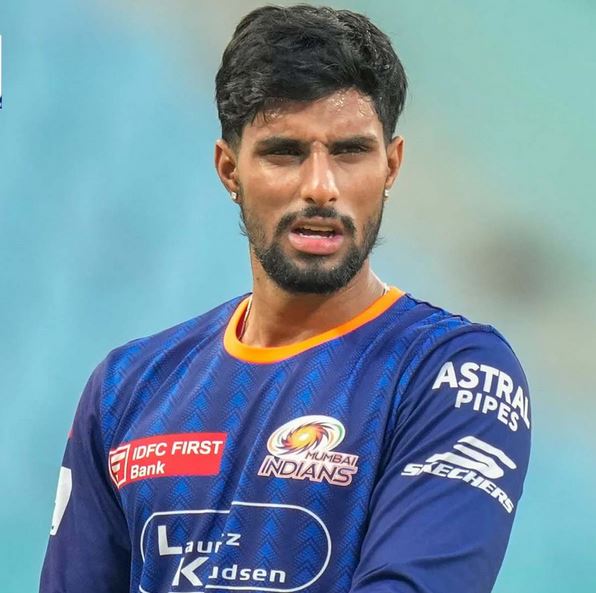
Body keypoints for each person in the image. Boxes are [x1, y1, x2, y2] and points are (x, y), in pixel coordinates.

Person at [40, 5, 531, 593]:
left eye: (350, 151)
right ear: (230, 170)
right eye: (285, 152)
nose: (321, 187)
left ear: (391, 166)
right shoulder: (127, 388)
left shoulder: (452, 374)